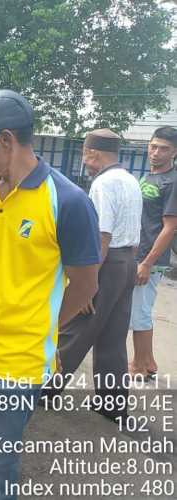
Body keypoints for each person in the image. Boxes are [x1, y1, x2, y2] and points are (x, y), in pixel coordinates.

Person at [0, 90, 101, 500]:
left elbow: (86, 284)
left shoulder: (67, 201)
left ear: (6, 140)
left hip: (20, 355)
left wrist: (46, 326)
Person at [52, 129, 142, 422]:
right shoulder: (131, 181)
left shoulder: (103, 184)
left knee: (74, 329)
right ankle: (113, 404)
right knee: (113, 338)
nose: (85, 162)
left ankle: (42, 390)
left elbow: (101, 238)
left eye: (85, 156)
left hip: (105, 263)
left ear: (93, 154)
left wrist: (88, 286)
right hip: (127, 261)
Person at [129, 126, 177, 378]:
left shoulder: (172, 181)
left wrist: (147, 263)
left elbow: (170, 227)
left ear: (175, 152)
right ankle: (147, 363)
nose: (156, 152)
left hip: (150, 260)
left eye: (164, 149)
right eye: (153, 146)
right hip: (138, 255)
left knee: (140, 311)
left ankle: (140, 365)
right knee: (139, 310)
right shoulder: (149, 177)